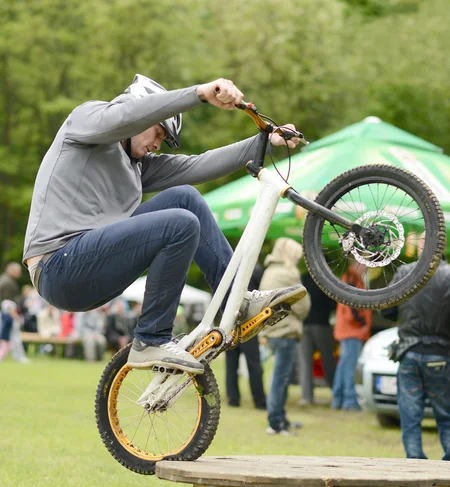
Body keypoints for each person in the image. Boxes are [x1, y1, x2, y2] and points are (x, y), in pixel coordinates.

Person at [23, 75, 306, 374]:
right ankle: (150, 339)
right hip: (57, 267)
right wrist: (199, 93)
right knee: (179, 224)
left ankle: (238, 299)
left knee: (186, 199)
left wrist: (266, 140)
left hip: (93, 266)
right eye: (158, 131)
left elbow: (199, 164)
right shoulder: (85, 122)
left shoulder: (137, 167)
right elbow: (128, 116)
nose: (157, 144)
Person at [382, 256, 450, 461]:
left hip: (408, 352)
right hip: (441, 354)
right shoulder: (448, 275)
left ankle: (414, 460)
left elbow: (386, 308)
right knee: (446, 415)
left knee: (410, 414)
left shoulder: (405, 272)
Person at [259, 238, 311, 435]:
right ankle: (276, 422)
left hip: (273, 330)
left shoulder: (269, 272)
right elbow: (303, 305)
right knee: (281, 379)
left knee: (278, 377)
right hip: (286, 331)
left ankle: (280, 417)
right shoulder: (288, 274)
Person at [225, 264, 266, 410]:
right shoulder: (256, 271)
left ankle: (233, 399)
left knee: (231, 364)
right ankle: (259, 401)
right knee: (254, 364)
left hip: (230, 322)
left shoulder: (228, 270)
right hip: (249, 322)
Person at [332, 264, 372, 411]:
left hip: (347, 330)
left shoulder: (352, 278)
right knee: (350, 365)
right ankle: (349, 400)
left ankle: (338, 398)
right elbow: (350, 308)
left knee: (344, 365)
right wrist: (362, 324)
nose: (366, 266)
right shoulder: (351, 280)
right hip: (352, 331)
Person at [298, 271, 336, 405]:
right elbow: (333, 304)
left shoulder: (302, 279)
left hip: (304, 324)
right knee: (328, 360)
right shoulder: (326, 281)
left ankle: (307, 397)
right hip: (322, 324)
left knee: (305, 362)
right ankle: (335, 392)